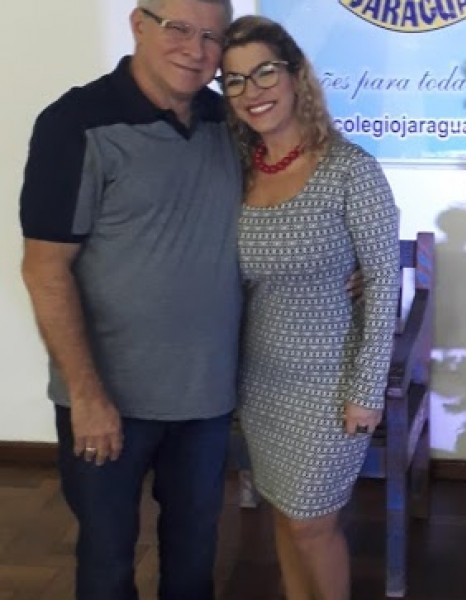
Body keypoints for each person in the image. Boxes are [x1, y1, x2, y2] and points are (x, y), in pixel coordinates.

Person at [19, 1, 239, 598]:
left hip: (205, 397)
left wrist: (341, 272)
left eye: (212, 37)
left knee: (194, 554)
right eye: (179, 29)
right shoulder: (75, 123)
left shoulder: (229, 122)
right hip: (107, 400)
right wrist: (87, 395)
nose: (196, 50)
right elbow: (44, 269)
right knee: (108, 558)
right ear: (139, 25)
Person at [220, 16, 400, 600]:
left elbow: (383, 284)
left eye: (264, 72)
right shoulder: (237, 173)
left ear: (296, 75)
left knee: (310, 525)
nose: (252, 90)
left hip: (330, 384)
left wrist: (367, 390)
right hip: (261, 382)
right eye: (235, 80)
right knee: (283, 514)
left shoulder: (350, 169)